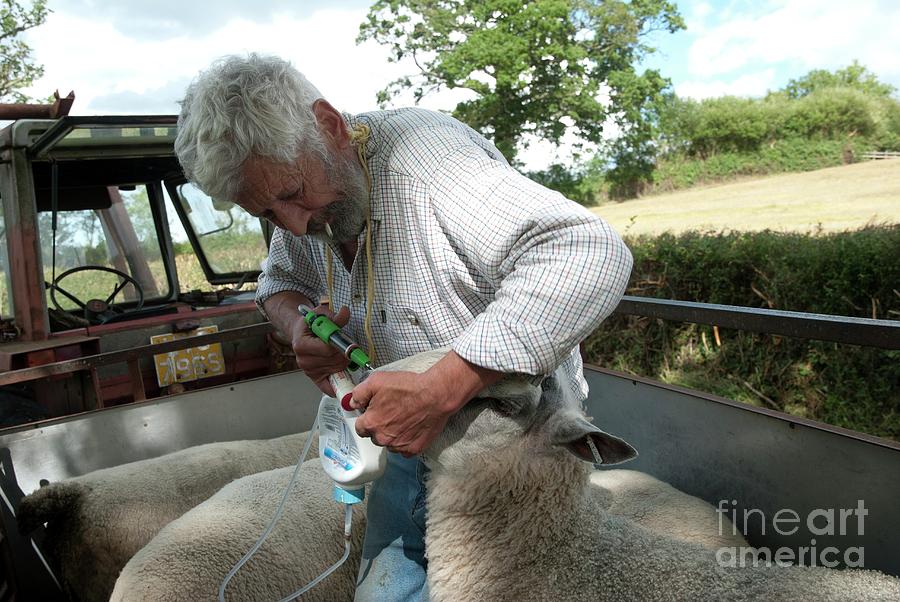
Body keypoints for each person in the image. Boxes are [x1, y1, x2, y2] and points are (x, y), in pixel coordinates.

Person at [175, 53, 633, 601]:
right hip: (405, 440)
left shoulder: (428, 162)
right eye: (268, 214)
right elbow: (276, 285)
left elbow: (586, 251)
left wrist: (443, 386)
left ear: (330, 125)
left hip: (512, 449)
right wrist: (299, 327)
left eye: (292, 195)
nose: (294, 225)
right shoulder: (297, 189)